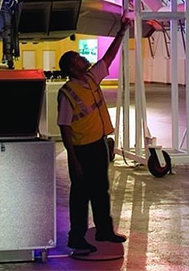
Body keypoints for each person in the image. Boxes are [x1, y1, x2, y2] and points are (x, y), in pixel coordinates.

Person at [58, 16, 131, 255]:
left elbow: (108, 58)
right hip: (82, 150)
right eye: (78, 58)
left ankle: (104, 230)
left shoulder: (91, 78)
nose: (83, 58)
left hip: (98, 145)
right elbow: (65, 127)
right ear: (72, 67)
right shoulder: (67, 92)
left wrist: (121, 32)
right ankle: (77, 237)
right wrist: (73, 159)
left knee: (101, 190)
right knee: (81, 195)